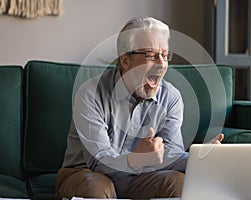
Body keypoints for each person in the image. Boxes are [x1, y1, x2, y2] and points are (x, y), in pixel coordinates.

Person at [55, 16, 224, 199]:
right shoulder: (90, 93)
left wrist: (199, 159)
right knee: (95, 186)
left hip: (141, 178)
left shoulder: (171, 97)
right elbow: (98, 161)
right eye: (151, 55)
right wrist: (135, 159)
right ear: (126, 61)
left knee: (177, 181)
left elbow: (171, 155)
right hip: (85, 174)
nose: (161, 64)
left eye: (165, 55)